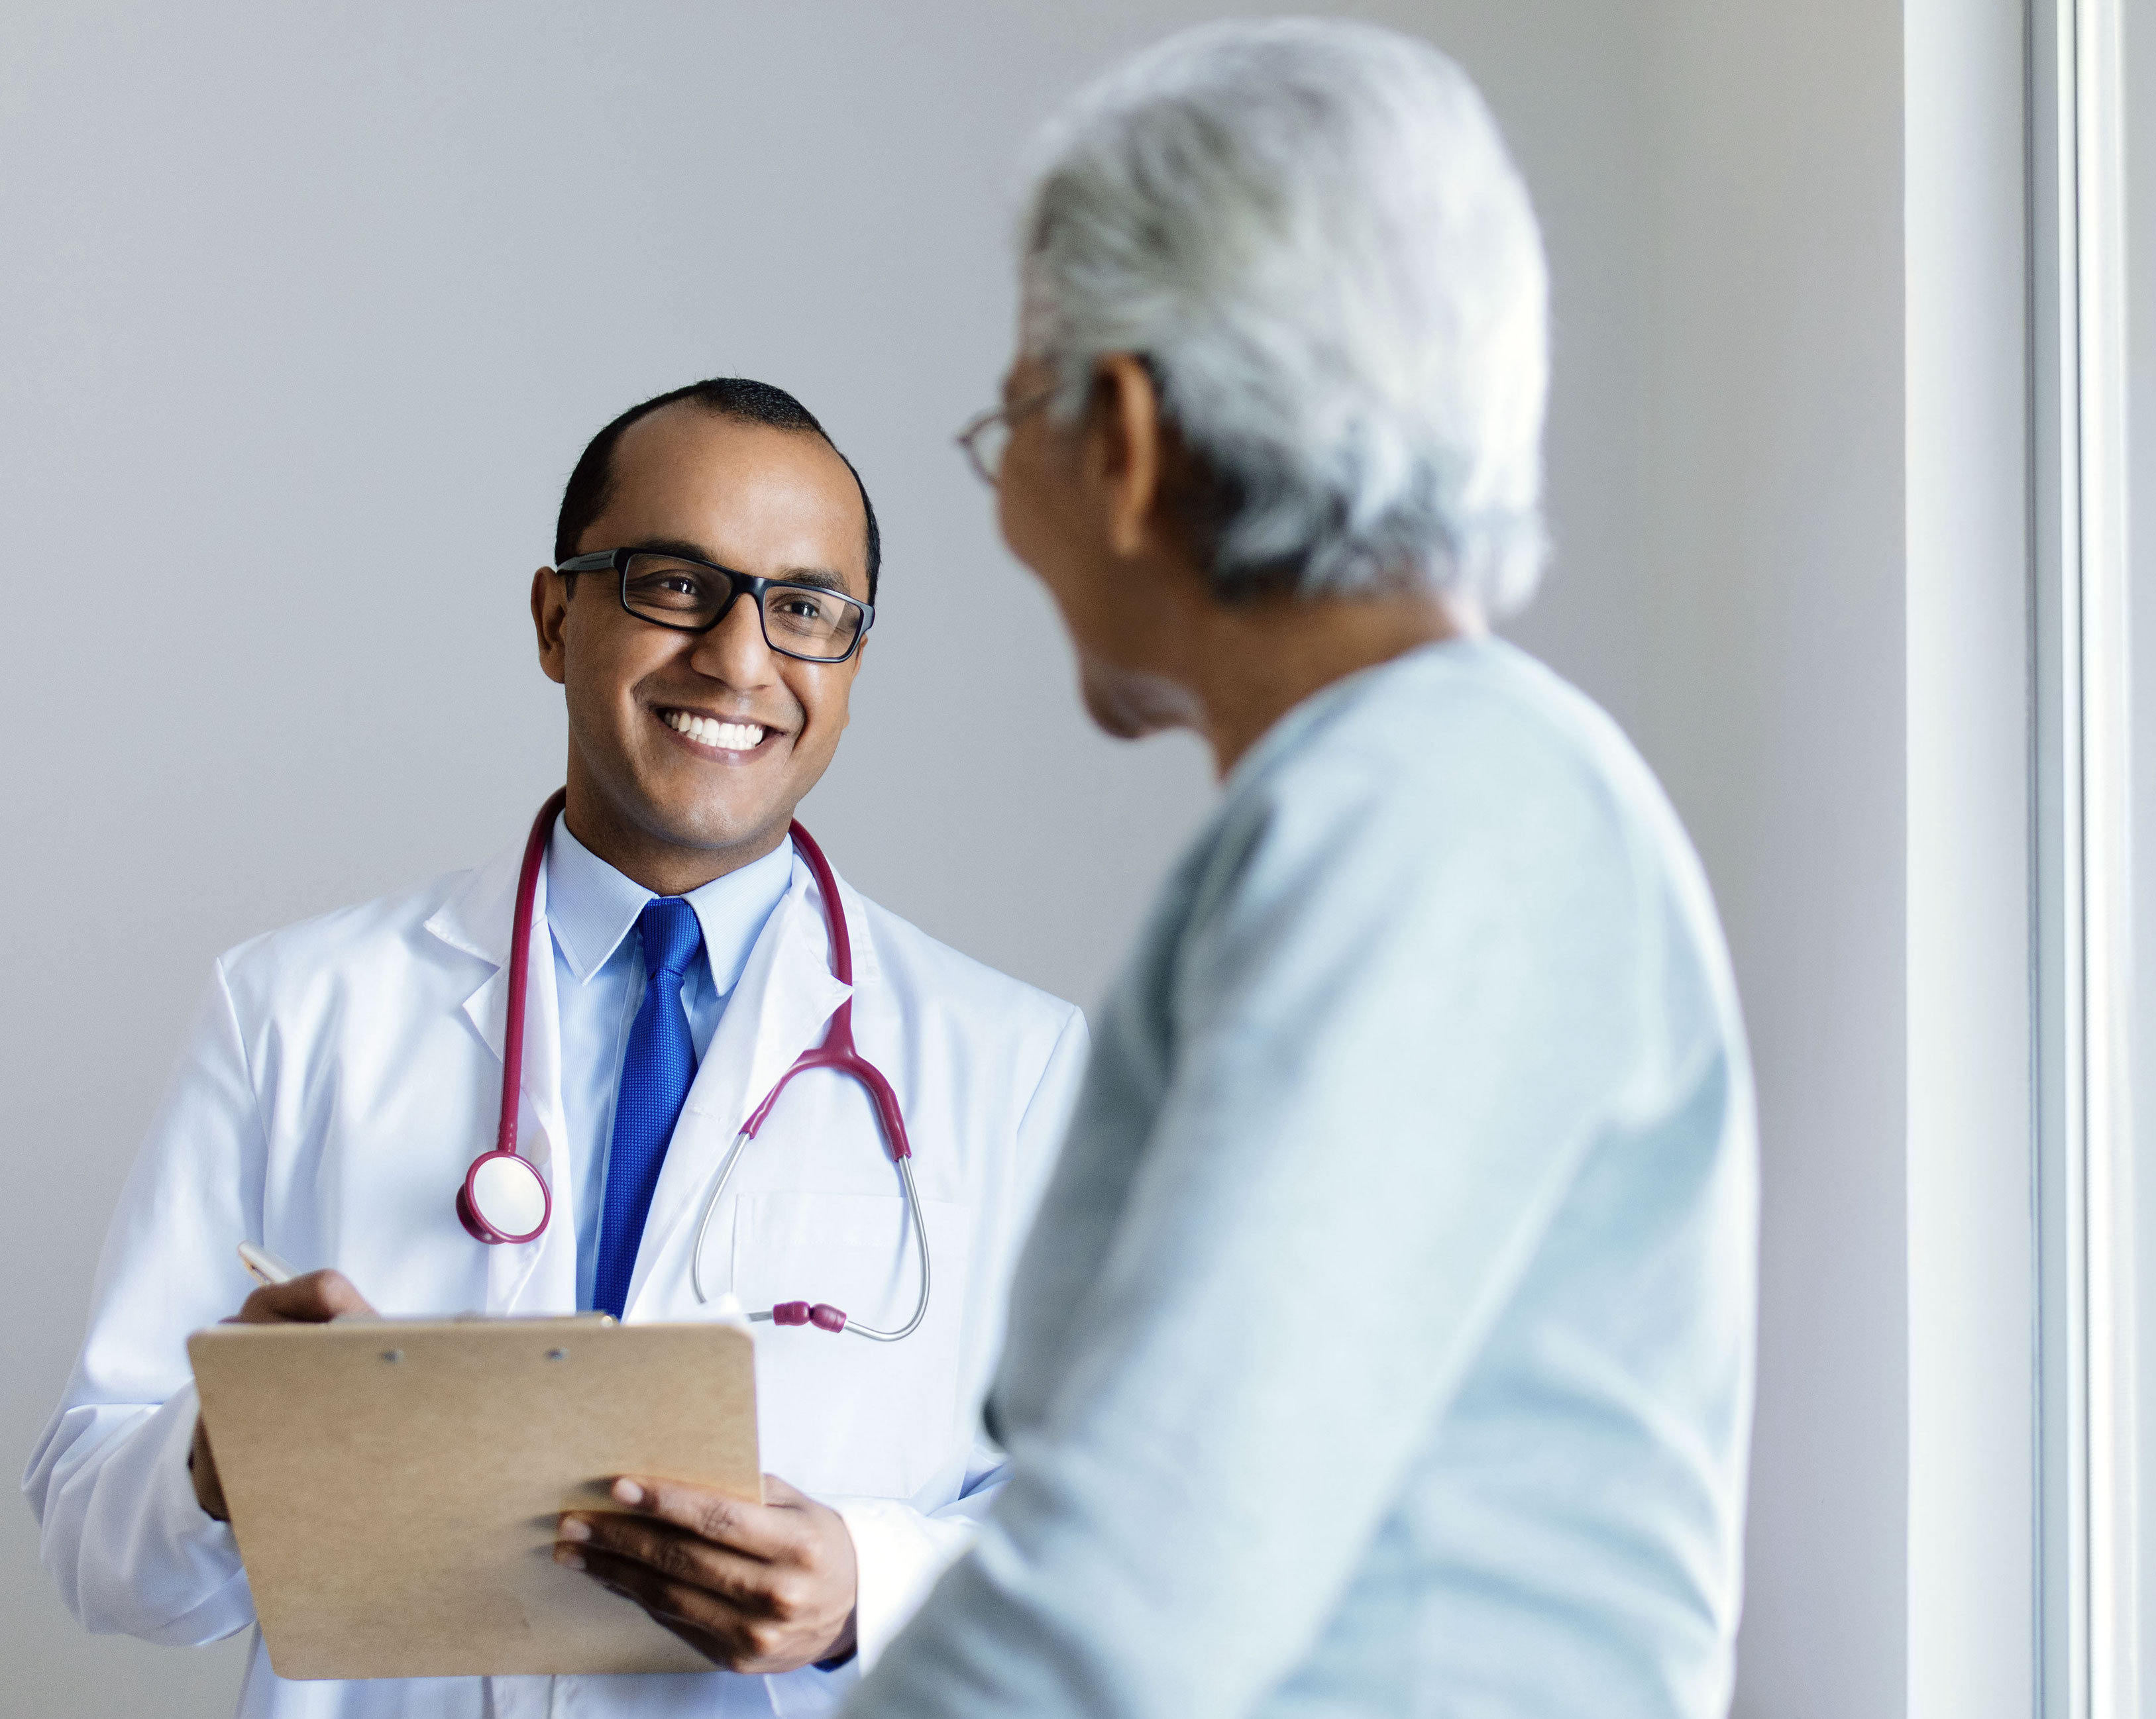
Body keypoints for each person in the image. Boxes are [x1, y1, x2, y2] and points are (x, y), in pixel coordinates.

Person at [847, 21, 1759, 1719]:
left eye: (1011, 421)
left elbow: (1116, 1602)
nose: (1007, 499)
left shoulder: (1442, 810)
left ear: (1120, 434)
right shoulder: (1416, 802)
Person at [25, 378, 1089, 1718]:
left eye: (804, 607)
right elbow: (90, 1537)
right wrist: (228, 1451)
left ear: (851, 664)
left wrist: (865, 1582)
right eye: (672, 583)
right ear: (553, 617)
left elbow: (1110, 1550)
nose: (738, 658)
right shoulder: (296, 1007)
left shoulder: (1015, 1065)